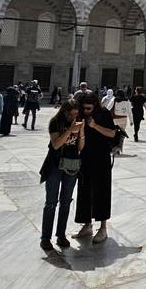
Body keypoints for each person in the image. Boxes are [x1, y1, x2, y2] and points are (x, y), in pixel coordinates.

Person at [40, 99, 85, 251]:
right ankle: (45, 238)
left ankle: (61, 235)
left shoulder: (78, 122)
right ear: (64, 112)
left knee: (66, 201)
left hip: (71, 165)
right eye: (71, 113)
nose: (74, 116)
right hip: (55, 165)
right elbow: (56, 144)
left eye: (76, 113)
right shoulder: (55, 122)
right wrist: (69, 130)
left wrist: (82, 131)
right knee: (51, 203)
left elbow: (80, 147)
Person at [74, 92, 116, 243]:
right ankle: (87, 225)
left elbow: (111, 133)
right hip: (85, 157)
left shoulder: (104, 113)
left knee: (102, 191)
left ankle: (103, 228)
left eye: (89, 108)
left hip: (101, 158)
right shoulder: (80, 114)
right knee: (84, 190)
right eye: (84, 108)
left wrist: (95, 126)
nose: (86, 111)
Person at [111, 89, 131, 155]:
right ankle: (119, 148)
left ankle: (114, 148)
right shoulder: (127, 100)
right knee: (121, 134)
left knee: (114, 134)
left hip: (115, 119)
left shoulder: (114, 100)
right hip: (124, 119)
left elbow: (108, 108)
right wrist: (131, 120)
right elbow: (129, 111)